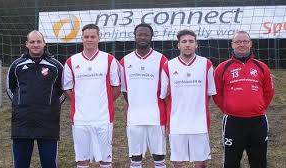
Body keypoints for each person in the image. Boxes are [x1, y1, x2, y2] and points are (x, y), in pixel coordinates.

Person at [213, 31, 274, 168]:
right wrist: (229, 108)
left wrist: (258, 107)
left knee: (259, 160)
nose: (242, 44)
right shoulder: (222, 68)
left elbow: (268, 91)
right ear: (232, 44)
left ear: (251, 43)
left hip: (258, 120)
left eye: (245, 41)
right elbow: (217, 93)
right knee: (231, 161)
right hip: (233, 122)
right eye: (238, 42)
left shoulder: (261, 67)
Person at [63, 24, 121, 168]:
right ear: (82, 39)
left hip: (103, 118)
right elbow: (67, 89)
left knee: (105, 160)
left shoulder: (109, 59)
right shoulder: (72, 61)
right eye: (86, 37)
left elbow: (116, 88)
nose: (89, 40)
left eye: (93, 37)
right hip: (80, 119)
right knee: (82, 160)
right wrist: (81, 102)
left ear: (98, 38)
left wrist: (103, 101)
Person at [6, 30, 65, 168]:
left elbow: (62, 91)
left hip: (48, 123)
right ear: (26, 44)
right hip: (22, 123)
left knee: (49, 164)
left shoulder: (56, 66)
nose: (35, 44)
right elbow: (10, 89)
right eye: (32, 42)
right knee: (20, 165)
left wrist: (51, 107)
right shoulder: (16, 65)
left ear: (44, 43)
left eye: (39, 41)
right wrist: (21, 105)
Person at [160, 29, 216, 168]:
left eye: (191, 41)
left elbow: (209, 93)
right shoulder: (168, 65)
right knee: (178, 161)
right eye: (184, 41)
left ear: (196, 44)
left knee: (201, 162)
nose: (187, 44)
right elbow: (164, 95)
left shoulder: (206, 64)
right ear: (178, 45)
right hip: (177, 122)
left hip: (199, 122)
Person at [120, 23, 168, 168]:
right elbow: (125, 91)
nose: (143, 37)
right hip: (135, 117)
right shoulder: (125, 61)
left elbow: (165, 90)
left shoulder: (162, 60)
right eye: (140, 34)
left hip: (156, 116)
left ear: (151, 37)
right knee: (135, 158)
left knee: (159, 157)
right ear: (134, 37)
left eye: (146, 34)